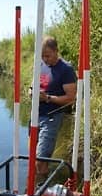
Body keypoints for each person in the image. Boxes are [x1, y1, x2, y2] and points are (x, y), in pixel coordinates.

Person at [32, 36, 77, 182]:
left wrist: (48, 98)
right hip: (35, 116)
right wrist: (31, 92)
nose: (45, 59)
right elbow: (33, 86)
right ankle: (35, 187)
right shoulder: (40, 65)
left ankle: (42, 190)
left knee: (41, 159)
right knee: (33, 156)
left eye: (48, 56)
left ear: (56, 51)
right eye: (42, 56)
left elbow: (71, 98)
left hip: (51, 117)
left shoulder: (66, 69)